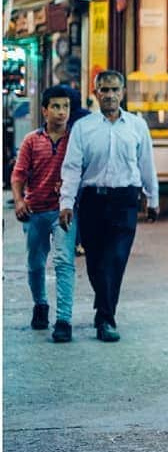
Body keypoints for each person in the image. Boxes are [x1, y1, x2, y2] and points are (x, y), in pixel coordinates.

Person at [59, 70, 160, 343]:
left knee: (115, 259)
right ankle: (103, 307)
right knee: (95, 262)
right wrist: (66, 203)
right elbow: (71, 168)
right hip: (92, 200)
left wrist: (153, 198)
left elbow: (146, 163)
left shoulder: (137, 126)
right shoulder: (83, 128)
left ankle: (105, 318)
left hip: (126, 200)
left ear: (123, 92)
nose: (110, 95)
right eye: (104, 90)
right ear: (96, 94)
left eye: (115, 89)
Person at [11, 86, 78, 343]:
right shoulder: (31, 140)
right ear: (45, 110)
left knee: (63, 262)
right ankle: (40, 305)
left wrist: (71, 186)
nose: (61, 112)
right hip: (35, 211)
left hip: (64, 211)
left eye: (66, 107)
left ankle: (64, 320)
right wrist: (18, 201)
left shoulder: (75, 140)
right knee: (36, 264)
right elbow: (18, 175)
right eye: (56, 107)